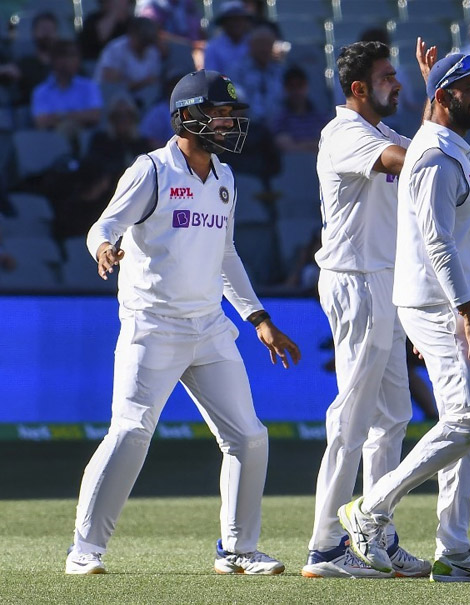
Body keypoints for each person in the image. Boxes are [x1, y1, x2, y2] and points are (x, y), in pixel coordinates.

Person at [64, 69, 301, 576]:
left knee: (249, 436)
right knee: (130, 432)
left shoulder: (225, 178)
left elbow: (226, 254)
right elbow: (103, 224)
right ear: (187, 117)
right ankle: (84, 550)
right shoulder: (151, 171)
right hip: (152, 325)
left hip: (209, 325)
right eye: (221, 113)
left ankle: (237, 550)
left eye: (233, 114)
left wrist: (258, 317)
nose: (230, 122)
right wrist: (103, 247)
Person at [337, 52, 470, 583]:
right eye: (469, 87)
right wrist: (465, 311)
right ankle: (371, 508)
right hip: (441, 305)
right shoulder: (435, 157)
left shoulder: (444, 147)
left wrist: (466, 306)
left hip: (445, 303)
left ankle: (454, 551)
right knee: (465, 422)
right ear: (442, 98)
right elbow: (436, 242)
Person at [302, 39, 435, 580]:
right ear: (359, 88)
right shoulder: (345, 133)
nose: (396, 83)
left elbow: (426, 152)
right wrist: (436, 100)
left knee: (393, 418)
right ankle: (325, 546)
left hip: (385, 282)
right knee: (351, 418)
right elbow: (411, 162)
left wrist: (434, 99)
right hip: (354, 282)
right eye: (387, 77)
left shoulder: (382, 130)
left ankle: (375, 531)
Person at [31, 39, 103, 135]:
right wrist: (78, 116)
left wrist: (60, 116)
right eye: (67, 56)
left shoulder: (89, 86)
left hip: (84, 137)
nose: (72, 60)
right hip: (53, 139)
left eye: (74, 56)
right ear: (54, 60)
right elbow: (41, 122)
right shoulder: (41, 91)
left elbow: (95, 115)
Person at [93, 16, 162, 108]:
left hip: (141, 101)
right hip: (109, 101)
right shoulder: (115, 49)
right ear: (132, 34)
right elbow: (112, 84)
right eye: (142, 40)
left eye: (148, 41)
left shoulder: (152, 52)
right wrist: (142, 83)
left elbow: (154, 81)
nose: (145, 45)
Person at [273, 66, 329, 154]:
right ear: (285, 89)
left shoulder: (320, 118)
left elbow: (328, 144)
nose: (296, 91)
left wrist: (298, 145)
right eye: (292, 86)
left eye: (300, 85)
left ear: (306, 86)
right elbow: (284, 146)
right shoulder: (280, 119)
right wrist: (312, 145)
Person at [203, 1, 254, 74]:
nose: (236, 24)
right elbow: (211, 76)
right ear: (223, 23)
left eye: (240, 19)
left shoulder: (254, 43)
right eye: (232, 20)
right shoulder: (212, 48)